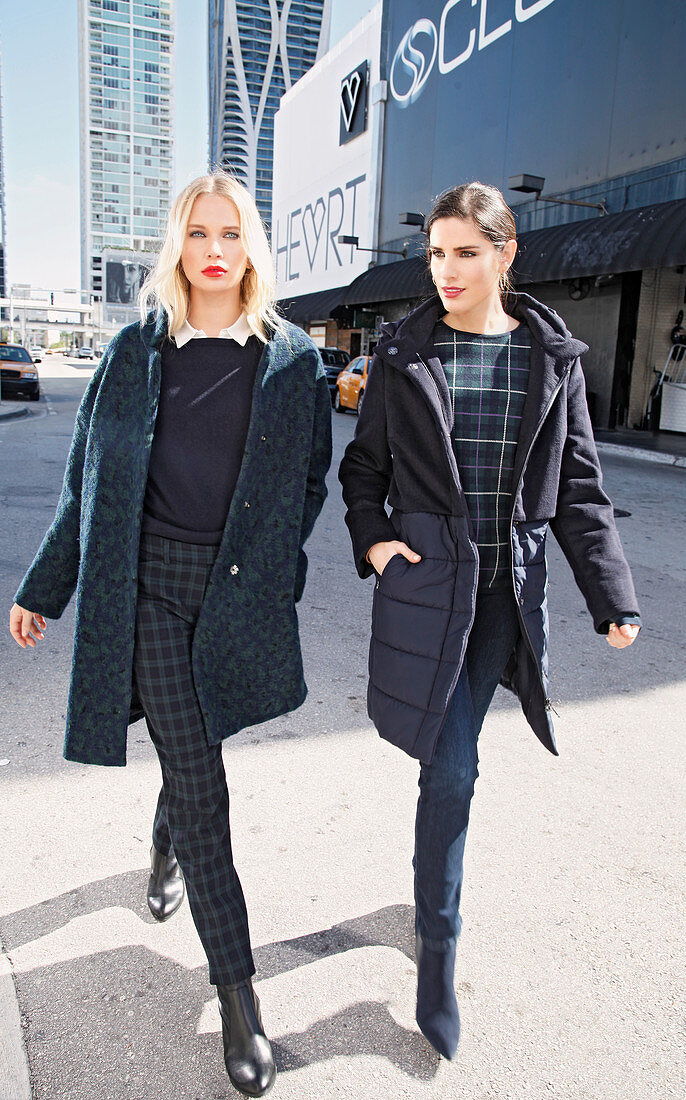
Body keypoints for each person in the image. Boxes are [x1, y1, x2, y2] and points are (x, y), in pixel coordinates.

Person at [9, 171, 332, 1097]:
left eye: (232, 233)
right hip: (144, 589)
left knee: (193, 749)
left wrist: (274, 569)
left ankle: (164, 840)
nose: (216, 250)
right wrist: (47, 587)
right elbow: (86, 483)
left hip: (232, 595)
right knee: (206, 789)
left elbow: (306, 483)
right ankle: (238, 993)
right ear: (178, 247)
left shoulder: (292, 360)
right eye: (200, 233)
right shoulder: (132, 351)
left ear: (251, 247)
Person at [338, 182, 640, 1061]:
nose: (447, 270)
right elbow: (363, 474)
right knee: (454, 772)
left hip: (505, 596)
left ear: (506, 255)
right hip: (430, 591)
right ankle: (437, 950)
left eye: (466, 251)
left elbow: (579, 490)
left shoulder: (551, 359)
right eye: (435, 253)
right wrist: (380, 545)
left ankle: (431, 924)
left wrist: (610, 597)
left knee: (454, 772)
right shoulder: (402, 354)